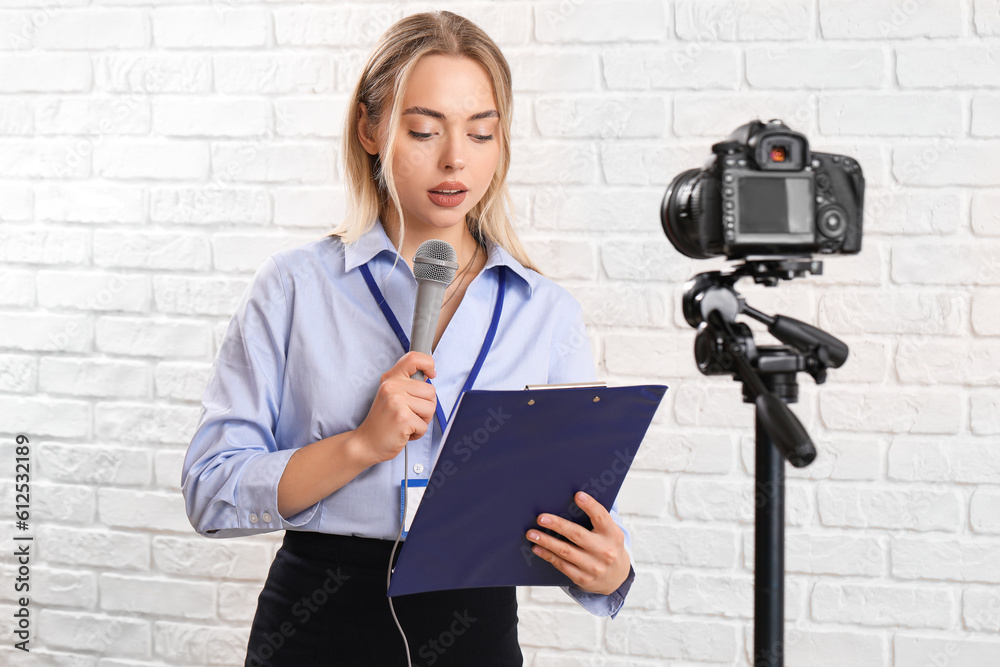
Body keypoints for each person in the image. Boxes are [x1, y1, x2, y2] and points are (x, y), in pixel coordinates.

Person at [181, 10, 635, 666]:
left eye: (481, 133)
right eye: (423, 130)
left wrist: (608, 570)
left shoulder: (547, 312)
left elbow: (576, 513)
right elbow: (210, 488)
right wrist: (360, 445)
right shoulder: (294, 287)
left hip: (475, 629)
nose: (455, 159)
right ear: (369, 129)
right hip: (317, 624)